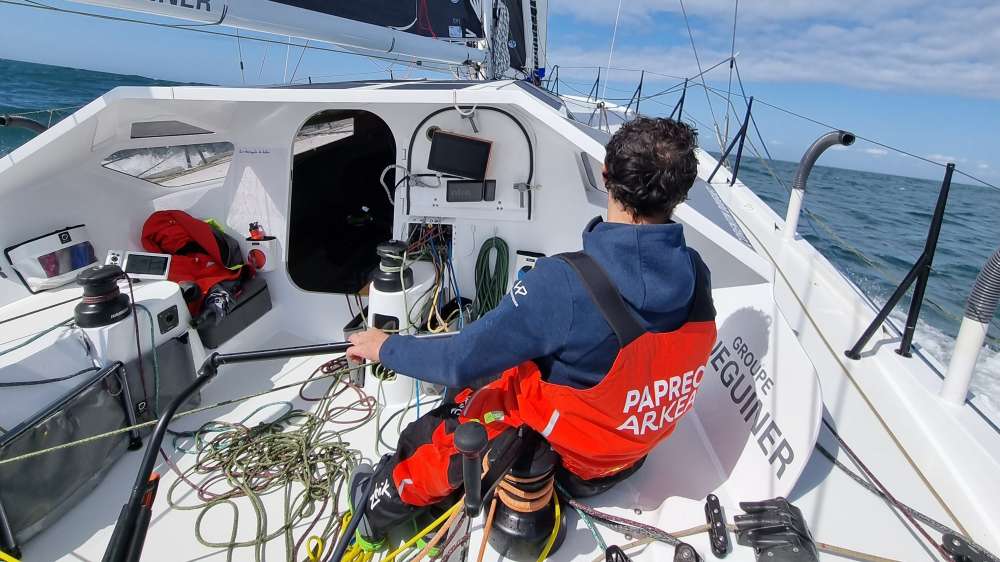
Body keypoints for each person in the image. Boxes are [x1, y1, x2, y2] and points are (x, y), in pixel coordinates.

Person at [346, 117, 716, 545]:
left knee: (455, 419)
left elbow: (457, 360)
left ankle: (378, 506)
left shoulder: (561, 283)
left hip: (573, 460)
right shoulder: (696, 273)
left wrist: (384, 346)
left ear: (605, 175)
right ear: (680, 196)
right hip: (629, 458)